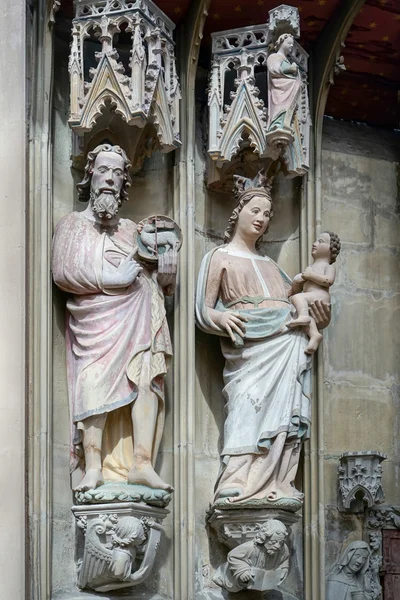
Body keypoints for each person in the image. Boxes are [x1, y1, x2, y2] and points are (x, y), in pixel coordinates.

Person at [196, 173, 330, 504]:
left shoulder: (271, 264)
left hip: (286, 340)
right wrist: (223, 316)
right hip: (248, 348)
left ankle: (279, 478)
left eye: (267, 214)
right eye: (255, 210)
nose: (261, 219)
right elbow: (203, 310)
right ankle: (238, 474)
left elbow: (295, 299)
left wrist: (319, 312)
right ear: (238, 212)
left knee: (286, 410)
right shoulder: (220, 257)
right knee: (246, 404)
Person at [52, 144, 176, 492]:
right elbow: (63, 272)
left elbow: (153, 276)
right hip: (96, 323)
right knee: (93, 383)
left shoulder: (132, 231)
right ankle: (93, 466)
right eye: (104, 170)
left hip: (140, 318)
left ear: (125, 183)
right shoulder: (72, 225)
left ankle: (141, 462)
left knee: (146, 380)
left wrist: (166, 275)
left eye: (118, 173)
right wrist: (112, 280)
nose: (110, 178)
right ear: (90, 175)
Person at [288, 231, 341, 354]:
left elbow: (328, 280)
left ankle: (303, 316)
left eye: (320, 241)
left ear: (330, 249)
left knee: (297, 299)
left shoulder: (328, 267)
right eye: (316, 240)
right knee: (307, 316)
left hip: (320, 297)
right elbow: (298, 289)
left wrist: (311, 275)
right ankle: (314, 335)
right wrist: (298, 282)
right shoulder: (311, 268)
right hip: (310, 298)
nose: (314, 243)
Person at [213, 519, 289, 593]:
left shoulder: (283, 549)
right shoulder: (250, 547)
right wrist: (243, 570)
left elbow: (285, 559)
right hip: (234, 578)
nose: (277, 546)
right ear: (264, 538)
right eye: (273, 542)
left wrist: (284, 569)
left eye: (281, 542)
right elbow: (232, 556)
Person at [266, 33, 301, 132]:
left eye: (292, 44)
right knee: (278, 110)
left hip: (287, 90)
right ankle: (276, 123)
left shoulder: (286, 60)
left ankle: (283, 123)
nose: (291, 46)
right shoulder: (275, 56)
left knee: (285, 111)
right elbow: (273, 69)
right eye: (289, 43)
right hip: (279, 89)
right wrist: (290, 69)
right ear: (281, 42)